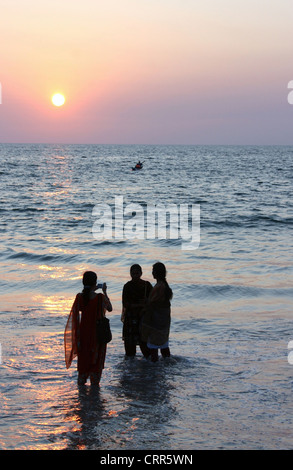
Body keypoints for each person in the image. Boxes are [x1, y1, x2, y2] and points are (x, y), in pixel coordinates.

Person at [64, 271, 112, 385]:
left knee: (83, 369)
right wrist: (104, 291)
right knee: (95, 373)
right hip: (97, 336)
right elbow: (109, 308)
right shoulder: (100, 298)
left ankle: (82, 399)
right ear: (95, 282)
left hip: (84, 335)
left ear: (83, 282)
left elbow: (77, 314)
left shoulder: (80, 297)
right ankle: (94, 399)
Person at [121, 264, 152, 358]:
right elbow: (125, 304)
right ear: (130, 274)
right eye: (133, 273)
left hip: (143, 318)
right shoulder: (127, 286)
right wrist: (140, 305)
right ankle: (131, 369)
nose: (135, 276)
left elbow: (154, 300)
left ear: (141, 273)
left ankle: (148, 367)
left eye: (137, 273)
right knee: (130, 348)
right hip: (130, 318)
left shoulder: (147, 285)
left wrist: (146, 303)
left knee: (146, 347)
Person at [145, 262, 172, 362]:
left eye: (153, 271)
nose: (152, 273)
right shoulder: (164, 285)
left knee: (154, 346)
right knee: (164, 343)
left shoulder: (158, 287)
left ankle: (154, 367)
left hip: (157, 320)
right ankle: (167, 363)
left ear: (156, 273)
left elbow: (151, 304)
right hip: (164, 319)